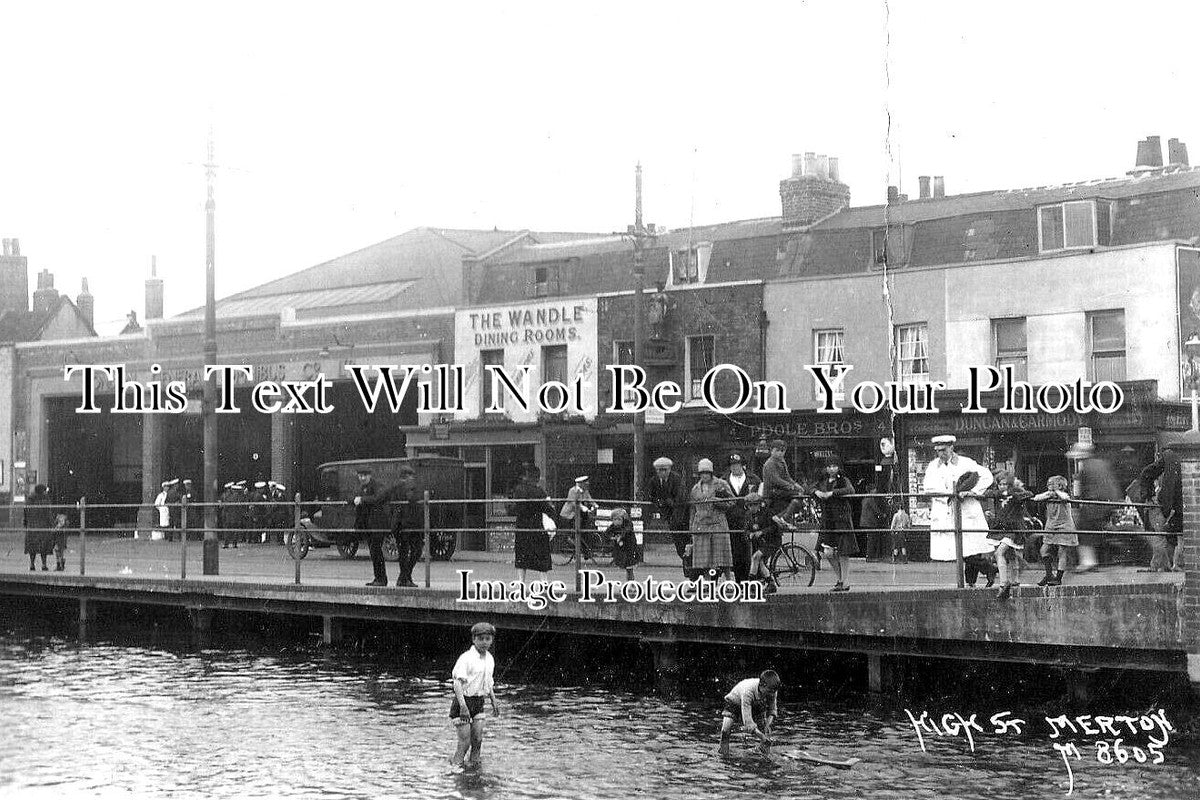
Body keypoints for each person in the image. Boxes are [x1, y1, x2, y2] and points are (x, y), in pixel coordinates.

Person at [921, 435, 996, 587]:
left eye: (943, 450)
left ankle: (971, 582)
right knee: (960, 549)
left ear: (951, 448)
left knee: (971, 548)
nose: (940, 454)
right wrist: (948, 494)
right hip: (945, 510)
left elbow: (987, 476)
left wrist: (972, 491)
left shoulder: (965, 463)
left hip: (966, 509)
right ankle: (988, 569)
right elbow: (928, 487)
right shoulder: (933, 466)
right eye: (937, 451)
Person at [450, 621, 500, 768]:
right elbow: (457, 684)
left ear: (491, 640)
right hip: (462, 702)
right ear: (474, 639)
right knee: (465, 742)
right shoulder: (466, 658)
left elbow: (488, 682)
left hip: (478, 702)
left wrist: (493, 700)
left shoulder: (490, 659)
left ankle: (474, 767)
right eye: (481, 639)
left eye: (488, 639)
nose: (484, 642)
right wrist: (463, 707)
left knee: (477, 739)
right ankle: (456, 767)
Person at [1068, 441, 1121, 573]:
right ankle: (1095, 559)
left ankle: (1088, 562)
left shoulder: (1085, 466)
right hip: (1110, 501)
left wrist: (1079, 502)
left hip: (1095, 502)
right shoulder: (1101, 463)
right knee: (1095, 530)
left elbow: (1081, 490)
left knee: (1083, 529)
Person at [987, 472, 1033, 600]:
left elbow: (1028, 494)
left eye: (1005, 484)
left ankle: (1003, 583)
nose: (1002, 487)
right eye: (1000, 484)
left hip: (1013, 529)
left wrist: (1015, 491)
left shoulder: (1016, 495)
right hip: (1001, 528)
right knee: (1011, 554)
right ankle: (1015, 581)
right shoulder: (997, 495)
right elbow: (987, 493)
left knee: (999, 552)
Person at [813, 456, 856, 592]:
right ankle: (840, 579)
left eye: (834, 466)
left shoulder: (843, 480)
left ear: (838, 467)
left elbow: (850, 490)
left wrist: (832, 493)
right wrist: (816, 492)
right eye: (829, 466)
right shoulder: (822, 481)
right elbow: (809, 488)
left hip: (841, 519)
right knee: (828, 552)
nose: (832, 468)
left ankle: (844, 581)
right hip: (828, 520)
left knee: (843, 552)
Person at [689, 458, 735, 581]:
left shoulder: (721, 484)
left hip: (718, 523)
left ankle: (729, 579)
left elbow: (732, 501)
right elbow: (693, 509)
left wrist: (719, 502)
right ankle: (707, 580)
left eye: (707, 473)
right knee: (705, 557)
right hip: (701, 524)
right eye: (702, 473)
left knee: (723, 555)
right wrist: (692, 528)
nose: (704, 475)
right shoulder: (695, 489)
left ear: (711, 473)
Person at [645, 457, 691, 577]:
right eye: (659, 470)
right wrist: (661, 502)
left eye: (665, 470)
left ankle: (690, 573)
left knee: (686, 544)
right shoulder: (654, 481)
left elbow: (681, 498)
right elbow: (650, 495)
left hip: (682, 516)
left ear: (669, 469)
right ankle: (688, 567)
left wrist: (672, 503)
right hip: (670, 516)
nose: (662, 472)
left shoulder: (676, 479)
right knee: (679, 546)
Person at [511, 464, 557, 583]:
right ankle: (544, 582)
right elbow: (547, 509)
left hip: (521, 525)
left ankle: (521, 582)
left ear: (527, 476)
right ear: (537, 477)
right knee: (542, 554)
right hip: (536, 525)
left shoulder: (518, 489)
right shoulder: (539, 491)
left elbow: (512, 507)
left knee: (521, 556)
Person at [718, 670, 781, 756]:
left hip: (757, 703)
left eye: (774, 692)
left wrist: (767, 725)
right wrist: (761, 736)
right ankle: (723, 755)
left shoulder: (772, 690)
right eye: (770, 691)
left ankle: (764, 756)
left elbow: (772, 710)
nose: (772, 694)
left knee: (766, 732)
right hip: (734, 702)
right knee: (725, 730)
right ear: (763, 685)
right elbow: (748, 723)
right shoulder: (748, 691)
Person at [351, 466, 392, 587]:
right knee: (374, 551)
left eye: (364, 476)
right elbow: (353, 498)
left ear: (369, 476)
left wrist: (362, 499)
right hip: (368, 524)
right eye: (360, 476)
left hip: (377, 523)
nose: (362, 478)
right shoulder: (360, 487)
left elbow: (378, 498)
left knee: (376, 550)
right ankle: (378, 578)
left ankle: (381, 579)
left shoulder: (377, 485)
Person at [1032, 475, 1076, 586]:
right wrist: (1049, 493)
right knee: (1044, 550)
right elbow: (1036, 498)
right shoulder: (1048, 495)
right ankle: (1049, 574)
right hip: (1051, 525)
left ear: (1059, 485)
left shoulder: (1063, 495)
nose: (1048, 485)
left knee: (1062, 551)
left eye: (1052, 483)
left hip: (1064, 525)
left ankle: (1058, 578)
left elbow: (1065, 497)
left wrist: (1056, 491)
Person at [722, 453, 760, 582]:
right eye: (732, 465)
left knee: (753, 551)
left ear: (742, 465)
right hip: (731, 520)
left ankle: (754, 579)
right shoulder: (723, 481)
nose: (735, 467)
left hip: (749, 520)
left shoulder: (753, 479)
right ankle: (740, 581)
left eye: (737, 464)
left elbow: (759, 496)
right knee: (736, 552)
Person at [388, 465, 424, 588]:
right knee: (416, 550)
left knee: (404, 552)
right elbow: (412, 499)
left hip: (399, 523)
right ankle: (405, 578)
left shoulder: (395, 487)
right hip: (408, 523)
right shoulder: (408, 486)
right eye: (410, 476)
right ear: (407, 476)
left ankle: (404, 578)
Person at [761, 439, 805, 529]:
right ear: (771, 450)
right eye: (777, 450)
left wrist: (796, 485)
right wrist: (791, 486)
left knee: (798, 498)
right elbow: (775, 479)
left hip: (780, 490)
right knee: (797, 496)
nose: (780, 453)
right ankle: (783, 518)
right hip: (772, 492)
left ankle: (782, 517)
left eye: (782, 451)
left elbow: (787, 477)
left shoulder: (782, 461)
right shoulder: (769, 463)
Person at [743, 493, 781, 594]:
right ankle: (770, 583)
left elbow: (774, 527)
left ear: (759, 504)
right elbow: (746, 530)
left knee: (756, 557)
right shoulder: (748, 515)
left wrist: (762, 532)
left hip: (771, 541)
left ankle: (751, 585)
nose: (753, 507)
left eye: (755, 505)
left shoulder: (767, 513)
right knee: (759, 562)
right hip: (760, 543)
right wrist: (749, 534)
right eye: (750, 505)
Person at [560, 475, 599, 559]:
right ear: (581, 483)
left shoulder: (585, 491)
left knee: (584, 530)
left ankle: (584, 550)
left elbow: (589, 499)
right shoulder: (573, 490)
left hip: (578, 514)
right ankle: (573, 542)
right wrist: (583, 507)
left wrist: (595, 505)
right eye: (586, 482)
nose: (588, 483)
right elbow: (573, 502)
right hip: (569, 515)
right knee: (576, 531)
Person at [24, 483, 53, 571]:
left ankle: (32, 564)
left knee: (32, 546)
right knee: (43, 546)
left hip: (32, 526)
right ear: (42, 491)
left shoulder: (30, 499)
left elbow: (25, 512)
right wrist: (51, 524)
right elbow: (49, 513)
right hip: (43, 526)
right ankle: (44, 564)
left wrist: (25, 523)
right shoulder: (45, 499)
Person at [608, 507, 640, 581]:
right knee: (625, 565)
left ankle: (631, 583)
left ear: (623, 519)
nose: (617, 522)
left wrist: (621, 536)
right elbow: (607, 533)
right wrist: (612, 537)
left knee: (629, 567)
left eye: (619, 519)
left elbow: (627, 531)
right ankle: (629, 583)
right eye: (614, 519)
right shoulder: (613, 526)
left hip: (629, 547)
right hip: (621, 548)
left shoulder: (628, 524)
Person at [888, 497, 910, 563]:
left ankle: (894, 559)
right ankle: (904, 559)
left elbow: (893, 524)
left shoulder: (896, 515)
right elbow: (908, 525)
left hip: (897, 532)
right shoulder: (906, 515)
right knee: (903, 545)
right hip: (903, 532)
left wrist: (892, 530)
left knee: (896, 546)